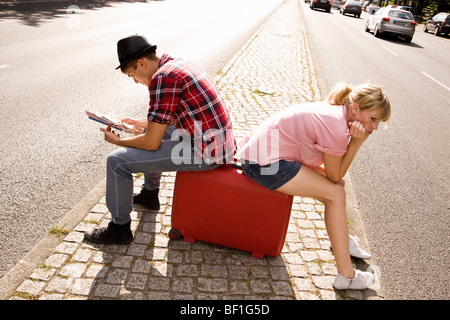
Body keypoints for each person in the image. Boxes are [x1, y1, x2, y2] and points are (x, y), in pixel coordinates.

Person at [84, 35, 236, 245]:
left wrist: (119, 142)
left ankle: (119, 229)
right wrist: (142, 123)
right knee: (156, 132)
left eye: (132, 75)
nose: (135, 81)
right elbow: (173, 115)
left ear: (141, 63)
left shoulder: (162, 79)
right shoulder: (176, 64)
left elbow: (151, 144)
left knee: (116, 161)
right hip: (218, 143)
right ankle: (149, 195)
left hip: (206, 154)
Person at [238, 83, 391, 290]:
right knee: (335, 193)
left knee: (337, 189)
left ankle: (342, 242)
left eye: (378, 122)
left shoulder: (338, 114)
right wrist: (356, 143)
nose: (374, 128)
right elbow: (334, 175)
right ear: (355, 108)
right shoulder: (336, 126)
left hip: (268, 156)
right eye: (373, 119)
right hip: (263, 164)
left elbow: (334, 175)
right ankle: (347, 275)